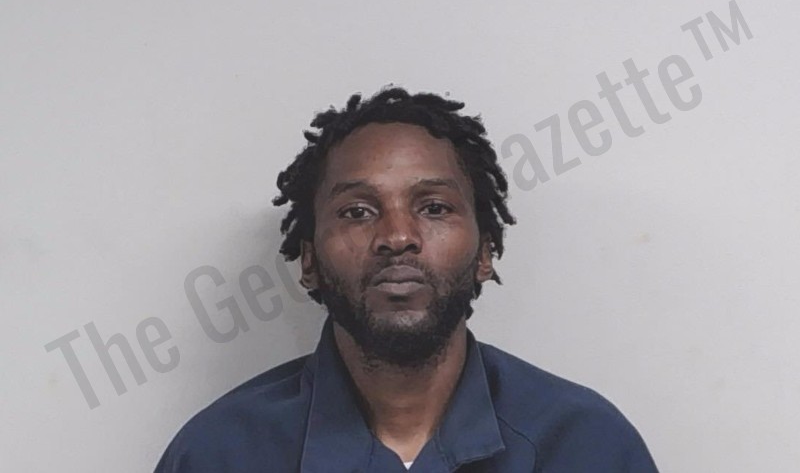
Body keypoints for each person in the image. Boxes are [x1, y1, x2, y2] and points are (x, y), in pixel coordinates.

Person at [154, 87, 659, 472]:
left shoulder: (587, 446)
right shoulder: (219, 453)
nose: (397, 236)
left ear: (485, 252)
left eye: (434, 207)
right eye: (357, 211)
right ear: (309, 261)